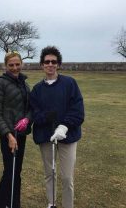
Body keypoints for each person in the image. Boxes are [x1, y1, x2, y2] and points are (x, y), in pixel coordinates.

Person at [30, 46, 84, 208]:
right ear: (42, 65)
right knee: (49, 173)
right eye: (47, 62)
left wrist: (64, 126)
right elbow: (35, 114)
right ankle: (51, 203)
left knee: (67, 177)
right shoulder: (37, 90)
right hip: (46, 137)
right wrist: (46, 117)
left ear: (58, 64)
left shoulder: (69, 83)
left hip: (68, 136)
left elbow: (77, 110)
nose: (50, 64)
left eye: (54, 61)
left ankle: (68, 205)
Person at [0, 51, 31, 208]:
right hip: (8, 136)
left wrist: (27, 119)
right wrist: (8, 135)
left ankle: (14, 203)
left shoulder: (24, 83)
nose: (15, 68)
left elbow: (30, 106)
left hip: (21, 134)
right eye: (11, 65)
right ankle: (1, 204)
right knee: (10, 172)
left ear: (21, 64)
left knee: (16, 173)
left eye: (17, 64)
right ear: (5, 66)